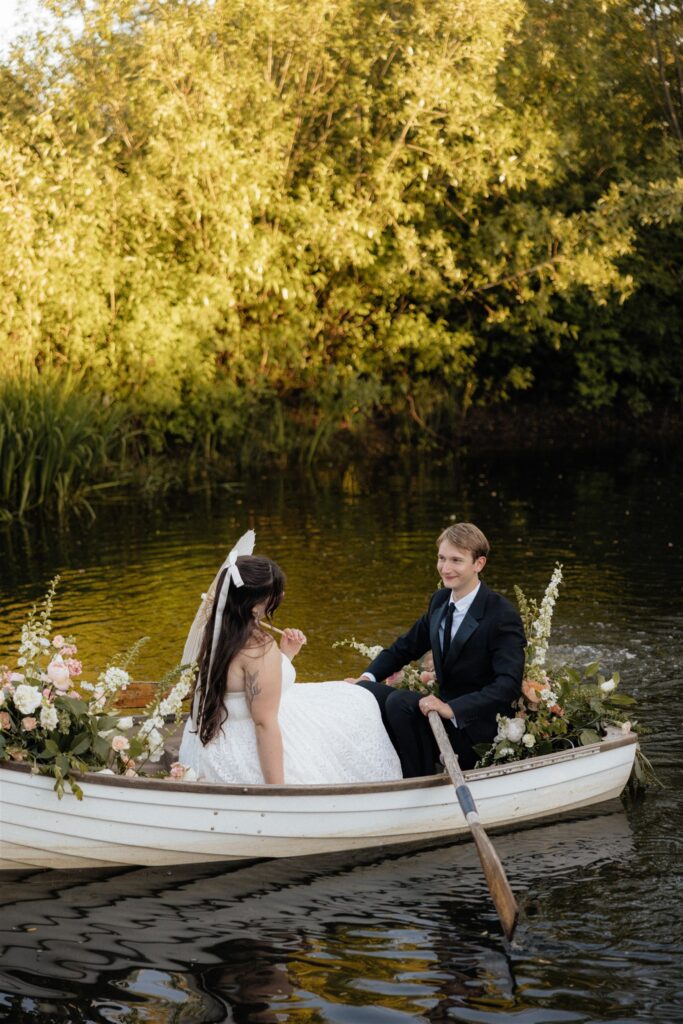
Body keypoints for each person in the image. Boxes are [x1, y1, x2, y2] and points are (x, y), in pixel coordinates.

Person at [178, 536, 401, 785]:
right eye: (274, 594)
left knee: (349, 694)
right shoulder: (257, 649)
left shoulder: (217, 630)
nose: (281, 595)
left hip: (211, 737)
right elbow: (264, 723)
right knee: (359, 705)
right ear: (254, 605)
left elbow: (239, 685)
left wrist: (286, 655)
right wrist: (277, 790)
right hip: (242, 748)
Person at [348, 522, 525, 777]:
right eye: (442, 558)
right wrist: (366, 677)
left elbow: (507, 685)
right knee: (364, 692)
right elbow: (404, 648)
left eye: (456, 560)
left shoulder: (501, 614)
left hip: (477, 727)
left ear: (479, 564)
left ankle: (416, 778)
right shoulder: (440, 601)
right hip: (440, 713)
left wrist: (452, 709)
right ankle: (391, 766)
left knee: (401, 701)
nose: (446, 568)